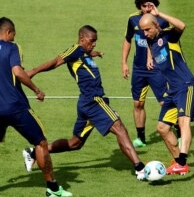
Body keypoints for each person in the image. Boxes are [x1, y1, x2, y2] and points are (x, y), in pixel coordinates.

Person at [22, 25, 146, 180]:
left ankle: (34, 152)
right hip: (93, 101)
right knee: (119, 128)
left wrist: (95, 53)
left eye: (96, 41)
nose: (94, 44)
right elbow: (56, 61)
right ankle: (140, 168)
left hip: (86, 104)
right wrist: (33, 71)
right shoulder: (75, 49)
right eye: (92, 41)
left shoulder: (84, 52)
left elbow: (85, 54)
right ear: (82, 39)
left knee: (75, 143)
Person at [0, 17, 72, 197]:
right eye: (13, 35)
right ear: (9, 32)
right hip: (15, 107)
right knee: (40, 143)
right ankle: (53, 188)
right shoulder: (12, 47)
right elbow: (18, 72)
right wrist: (36, 90)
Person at [139, 6, 194, 175]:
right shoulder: (151, 41)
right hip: (171, 90)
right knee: (162, 128)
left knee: (183, 121)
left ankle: (181, 161)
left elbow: (182, 25)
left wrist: (159, 14)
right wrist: (150, 58)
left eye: (147, 29)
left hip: (186, 86)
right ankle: (178, 163)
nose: (145, 34)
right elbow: (151, 46)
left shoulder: (169, 37)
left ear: (156, 25)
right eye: (142, 30)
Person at [122, 0, 177, 148]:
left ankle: (178, 130)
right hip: (139, 69)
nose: (147, 8)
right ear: (140, 5)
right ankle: (140, 138)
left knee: (164, 103)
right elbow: (127, 40)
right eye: (144, 5)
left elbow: (174, 32)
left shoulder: (161, 21)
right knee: (138, 104)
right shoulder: (133, 19)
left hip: (157, 69)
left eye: (150, 5)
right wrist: (124, 63)